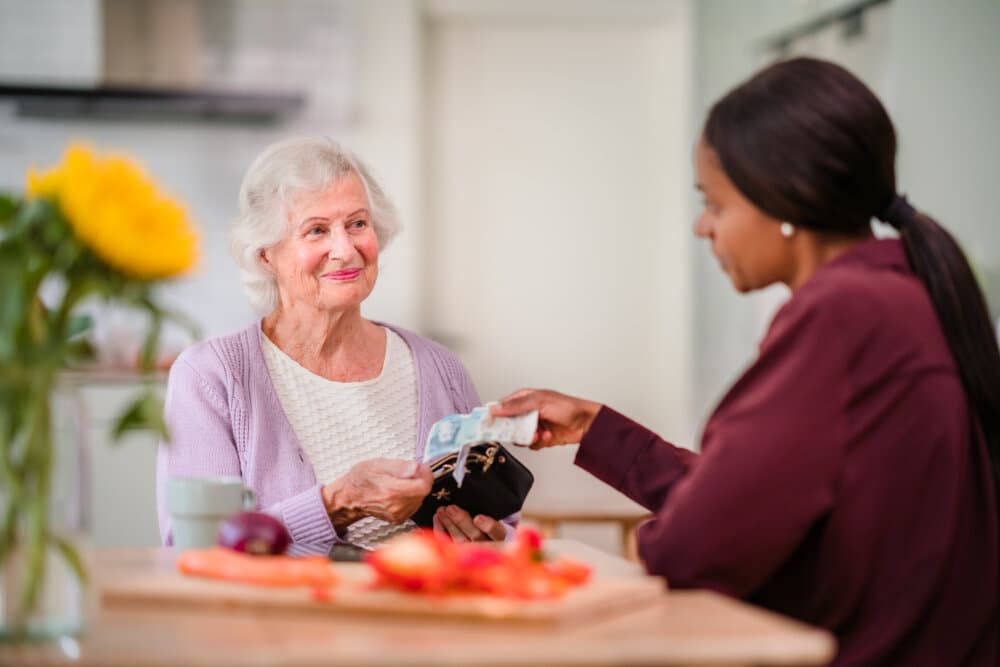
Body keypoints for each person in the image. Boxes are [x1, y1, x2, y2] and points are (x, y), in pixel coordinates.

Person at [492, 58, 999, 665]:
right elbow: (760, 501)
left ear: (785, 203)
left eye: (716, 203)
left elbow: (695, 547)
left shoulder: (842, 316)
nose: (703, 227)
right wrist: (597, 429)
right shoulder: (904, 294)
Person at [157, 137, 510, 548]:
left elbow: (504, 522)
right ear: (266, 255)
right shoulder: (211, 376)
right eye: (317, 230)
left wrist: (491, 537)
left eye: (357, 224)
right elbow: (195, 545)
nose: (344, 250)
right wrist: (336, 504)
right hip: (290, 612)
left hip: (428, 606)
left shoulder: (441, 369)